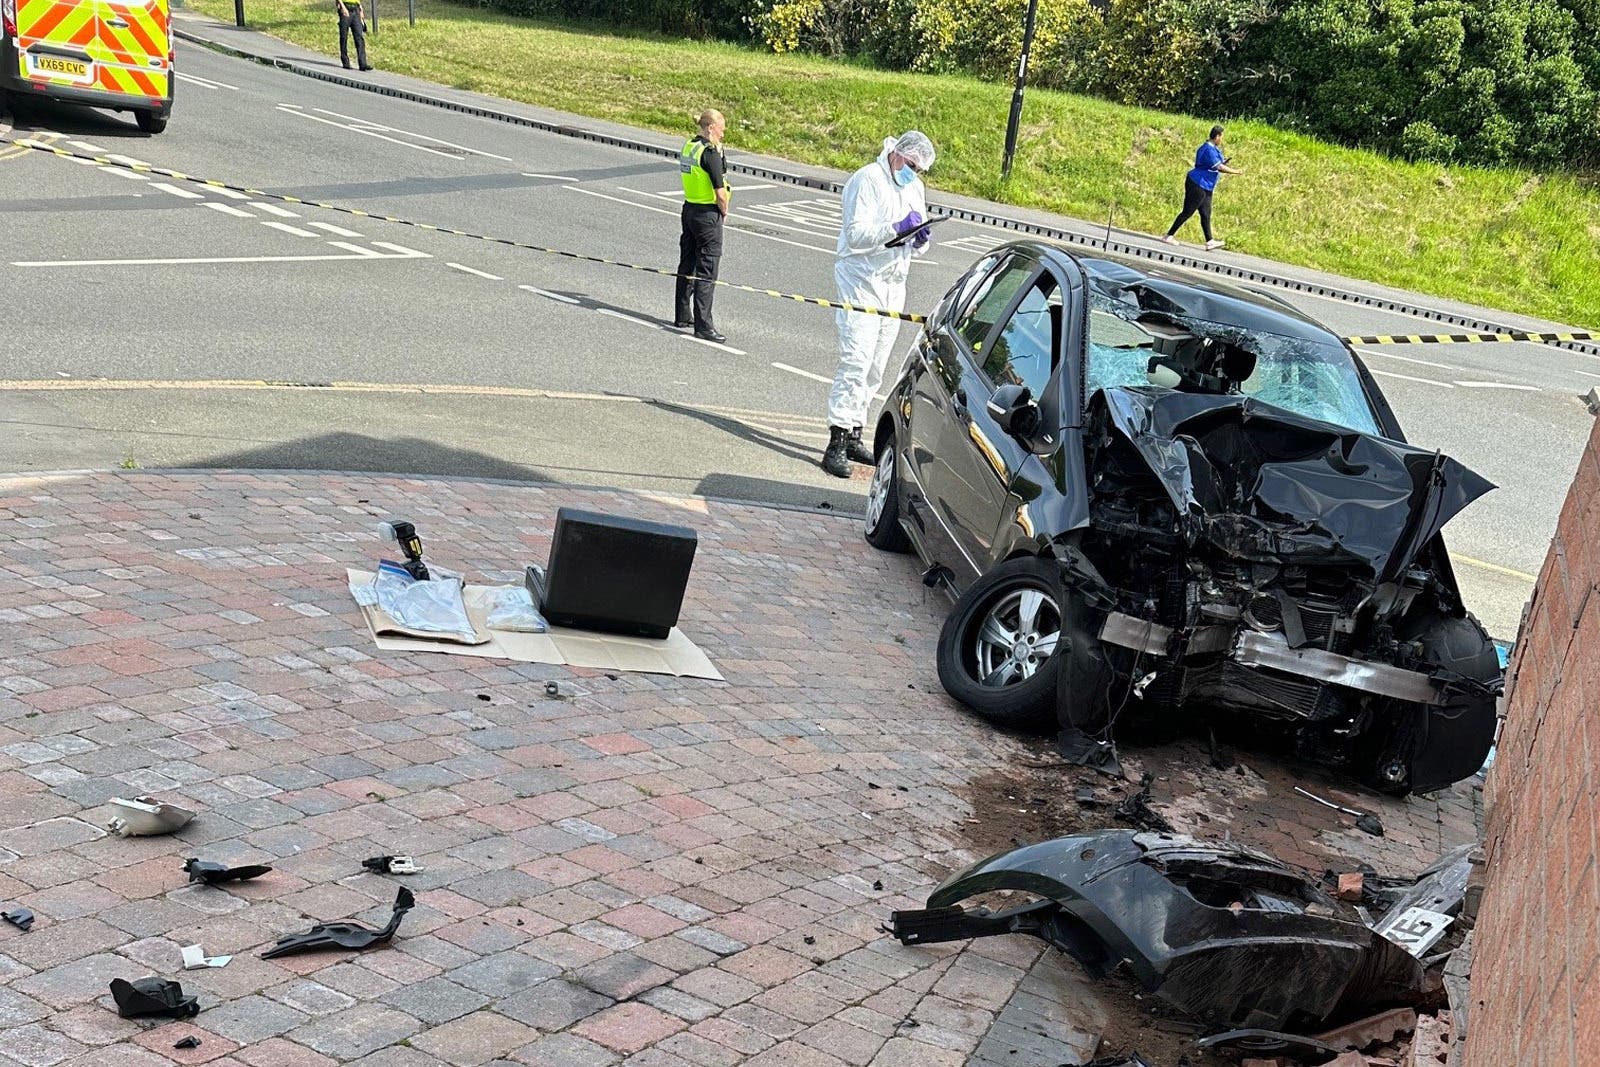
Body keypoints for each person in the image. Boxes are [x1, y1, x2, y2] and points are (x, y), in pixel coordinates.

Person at [822, 130, 936, 478]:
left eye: (920, 169)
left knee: (876, 365)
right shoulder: (867, 180)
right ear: (898, 154)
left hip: (893, 286)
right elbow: (856, 234)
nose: (914, 173)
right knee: (855, 360)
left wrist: (919, 238)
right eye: (912, 165)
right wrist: (896, 227)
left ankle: (856, 429)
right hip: (860, 282)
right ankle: (836, 440)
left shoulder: (913, 187)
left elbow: (918, 238)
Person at [674, 108, 730, 344]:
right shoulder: (709, 153)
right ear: (710, 128)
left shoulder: (690, 146)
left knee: (687, 262)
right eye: (721, 129)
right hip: (708, 214)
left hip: (689, 210)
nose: (723, 134)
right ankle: (703, 325)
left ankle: (682, 315)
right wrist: (723, 212)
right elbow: (720, 192)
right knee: (707, 269)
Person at [1162, 124, 1241, 251]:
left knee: (1206, 213)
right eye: (1221, 137)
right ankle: (1168, 235)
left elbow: (1216, 164)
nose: (1222, 140)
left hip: (1207, 185)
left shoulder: (1213, 149)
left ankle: (1210, 241)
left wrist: (1224, 163)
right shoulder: (1208, 149)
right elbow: (1219, 167)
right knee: (1188, 211)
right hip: (1198, 183)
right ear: (1217, 136)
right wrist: (1235, 171)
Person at [336, 0, 372, 72]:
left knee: (359, 36)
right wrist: (343, 7)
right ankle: (345, 61)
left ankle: (362, 63)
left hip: (355, 9)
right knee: (344, 36)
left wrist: (360, 9)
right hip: (345, 7)